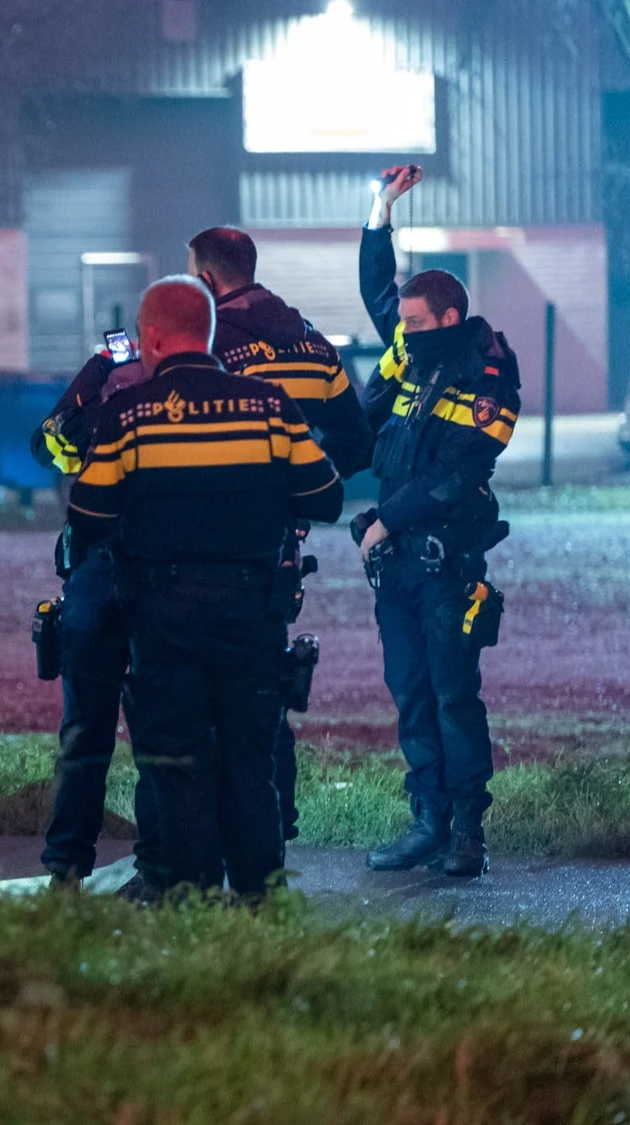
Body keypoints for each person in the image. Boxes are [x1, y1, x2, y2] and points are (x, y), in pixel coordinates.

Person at [68, 276, 343, 900]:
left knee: (180, 768)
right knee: (251, 766)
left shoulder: (128, 414)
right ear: (211, 333)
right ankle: (261, 902)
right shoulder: (269, 405)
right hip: (252, 616)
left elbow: (87, 516)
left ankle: (192, 902)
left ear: (155, 338)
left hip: (164, 622)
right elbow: (325, 496)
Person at [357, 166, 519, 878]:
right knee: (410, 692)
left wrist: (384, 519)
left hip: (445, 566)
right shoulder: (413, 355)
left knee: (454, 695)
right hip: (396, 568)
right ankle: (427, 819)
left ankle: (467, 832)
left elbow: (455, 475)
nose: (402, 330)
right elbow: (377, 290)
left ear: (448, 320)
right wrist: (380, 209)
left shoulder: (487, 380)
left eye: (415, 323)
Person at [189, 225, 374, 845]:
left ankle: (207, 833)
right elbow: (354, 442)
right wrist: (299, 493)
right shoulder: (316, 349)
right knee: (263, 684)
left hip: (210, 545)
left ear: (208, 279)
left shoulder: (209, 346)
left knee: (199, 693)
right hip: (278, 552)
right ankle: (277, 823)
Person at [32, 347, 156, 885]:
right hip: (149, 583)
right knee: (153, 733)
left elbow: (47, 441)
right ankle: (154, 865)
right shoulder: (168, 415)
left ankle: (68, 868)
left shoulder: (100, 424)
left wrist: (93, 373)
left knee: (90, 734)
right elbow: (46, 445)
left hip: (107, 582)